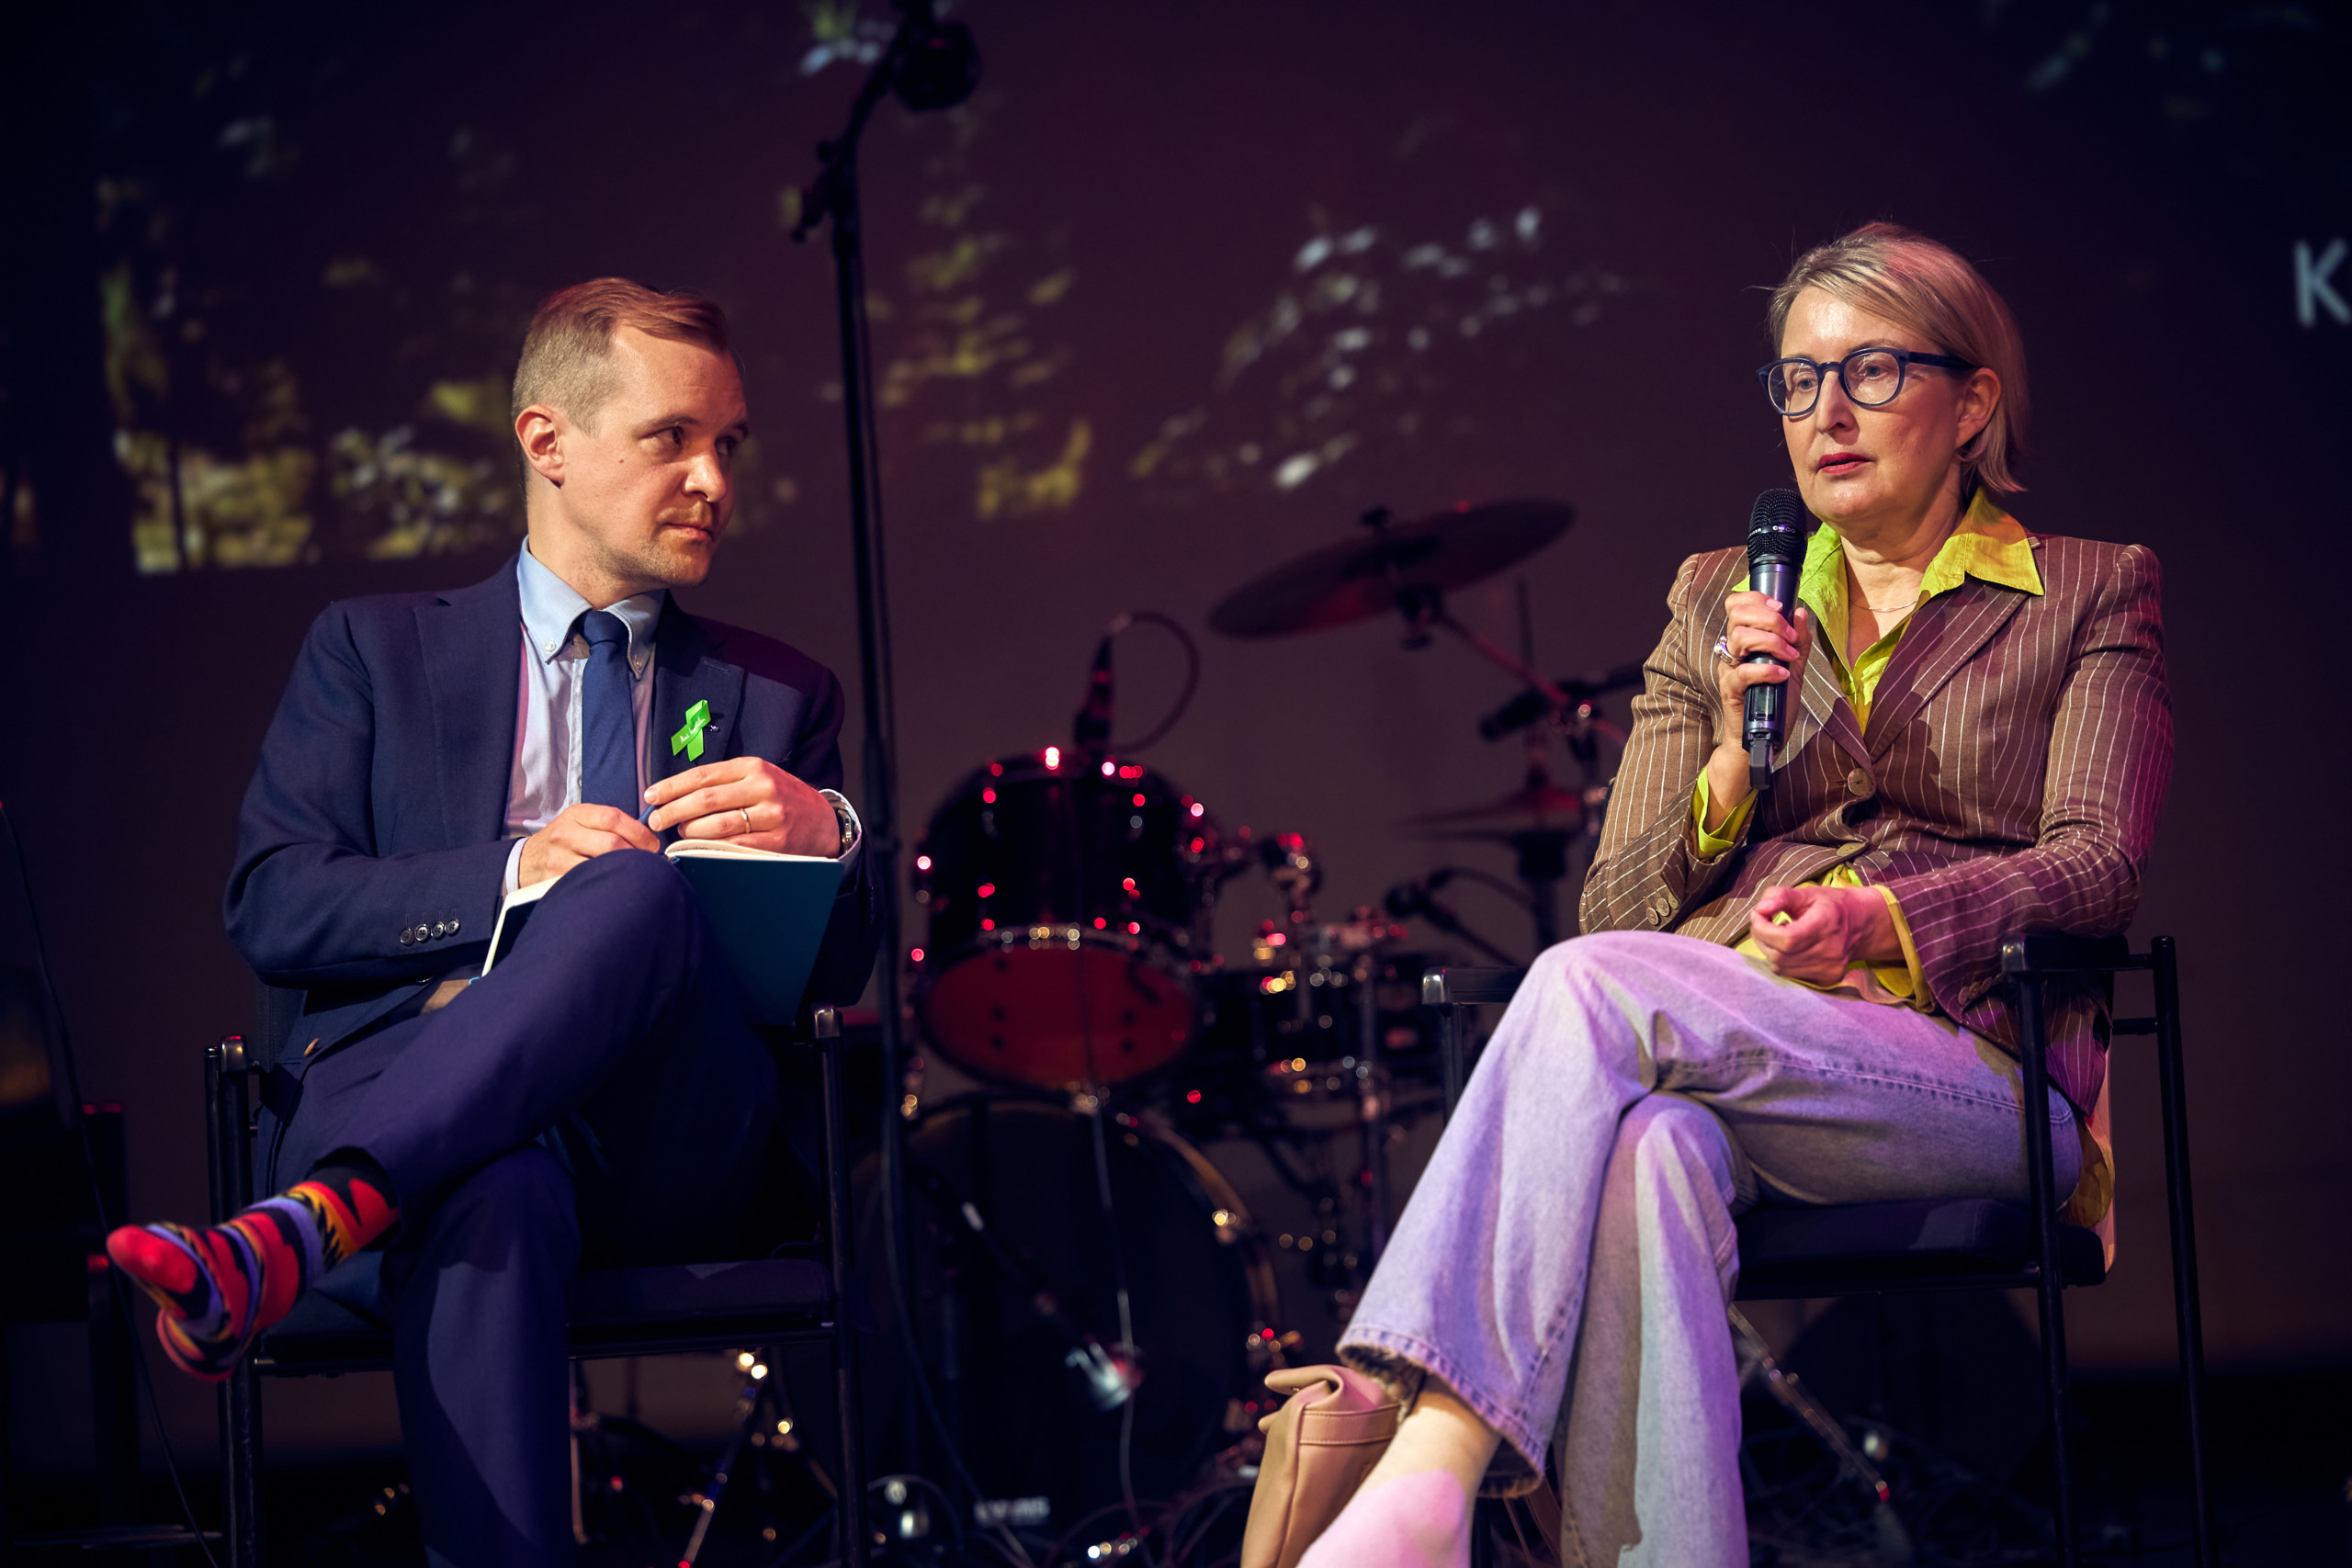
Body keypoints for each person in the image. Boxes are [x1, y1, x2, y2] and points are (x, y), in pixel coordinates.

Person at [1297, 223, 2171, 1567]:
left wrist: (1883, 926)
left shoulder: (2089, 589)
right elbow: (1620, 907)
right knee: (1646, 1157)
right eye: (1797, 381)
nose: (1825, 413)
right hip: (1737, 1047)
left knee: (1584, 993)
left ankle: (1428, 1458)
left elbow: (2099, 863)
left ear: (1973, 402)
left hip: (1977, 1079)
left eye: (1872, 373)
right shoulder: (1719, 598)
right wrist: (1726, 758)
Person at [106, 279, 880, 1566]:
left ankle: (303, 1224)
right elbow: (273, 898)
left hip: (668, 1153)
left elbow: (840, 973)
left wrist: (831, 837)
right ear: (546, 442)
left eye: (727, 444)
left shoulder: (778, 693)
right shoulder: (372, 651)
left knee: (630, 884)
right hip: (454, 1148)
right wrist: (513, 872)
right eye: (670, 439)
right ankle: (350, 1218)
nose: (712, 480)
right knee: (499, 1186)